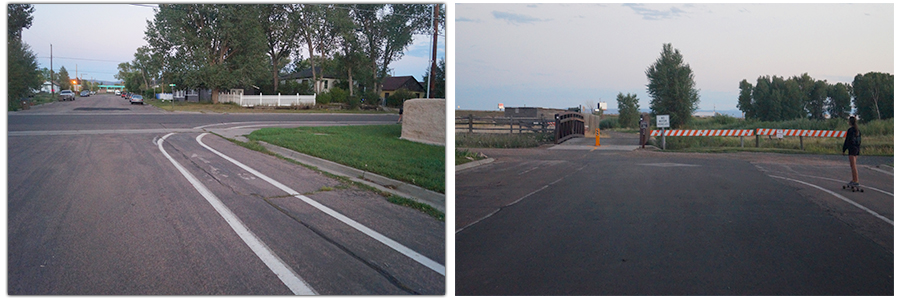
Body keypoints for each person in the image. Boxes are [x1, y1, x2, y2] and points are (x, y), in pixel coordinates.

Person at [842, 116, 862, 187]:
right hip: (857, 148)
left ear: (850, 122)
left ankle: (856, 180)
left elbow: (847, 141)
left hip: (852, 149)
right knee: (853, 165)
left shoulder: (850, 130)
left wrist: (844, 149)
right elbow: (859, 141)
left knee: (853, 166)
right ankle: (854, 179)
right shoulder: (858, 130)